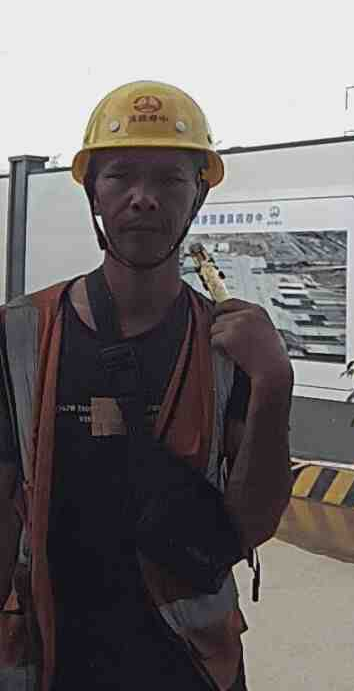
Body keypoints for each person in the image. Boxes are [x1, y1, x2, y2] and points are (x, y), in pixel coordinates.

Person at [0, 81, 294, 691]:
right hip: (55, 659)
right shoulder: (22, 332)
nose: (143, 198)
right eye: (121, 176)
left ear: (198, 195)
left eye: (169, 179)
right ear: (93, 192)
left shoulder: (231, 346)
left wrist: (274, 382)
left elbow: (251, 524)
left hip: (189, 665)